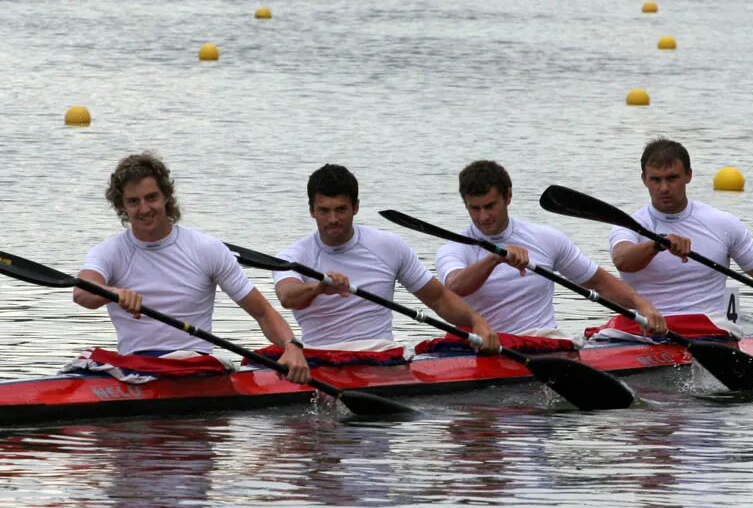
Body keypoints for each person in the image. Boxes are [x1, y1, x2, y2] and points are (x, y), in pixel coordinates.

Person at [74, 152, 310, 384]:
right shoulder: (109, 252)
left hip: (193, 367)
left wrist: (292, 346)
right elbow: (81, 293)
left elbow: (262, 312)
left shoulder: (206, 249)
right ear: (122, 206)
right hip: (135, 368)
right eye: (134, 202)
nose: (144, 209)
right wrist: (113, 293)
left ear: (166, 196)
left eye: (151, 197)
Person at [603, 138, 753, 339]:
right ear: (644, 179)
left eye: (672, 178)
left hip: (706, 327)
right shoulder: (629, 225)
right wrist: (658, 244)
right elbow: (623, 260)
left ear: (688, 176)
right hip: (642, 327)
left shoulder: (721, 223)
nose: (664, 188)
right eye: (655, 180)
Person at [273, 164, 500, 353]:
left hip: (379, 357)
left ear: (356, 207)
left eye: (341, 209)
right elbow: (287, 296)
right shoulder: (293, 255)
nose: (333, 219)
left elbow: (438, 298)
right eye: (324, 210)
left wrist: (476, 321)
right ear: (312, 211)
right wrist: (318, 288)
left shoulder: (387, 245)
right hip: (320, 358)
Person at [434, 160, 667, 342]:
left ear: (508, 197)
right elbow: (455, 287)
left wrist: (641, 304)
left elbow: (598, 282)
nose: (483, 216)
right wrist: (495, 258)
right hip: (483, 344)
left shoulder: (545, 239)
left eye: (490, 206)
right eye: (474, 208)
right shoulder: (453, 248)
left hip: (540, 341)